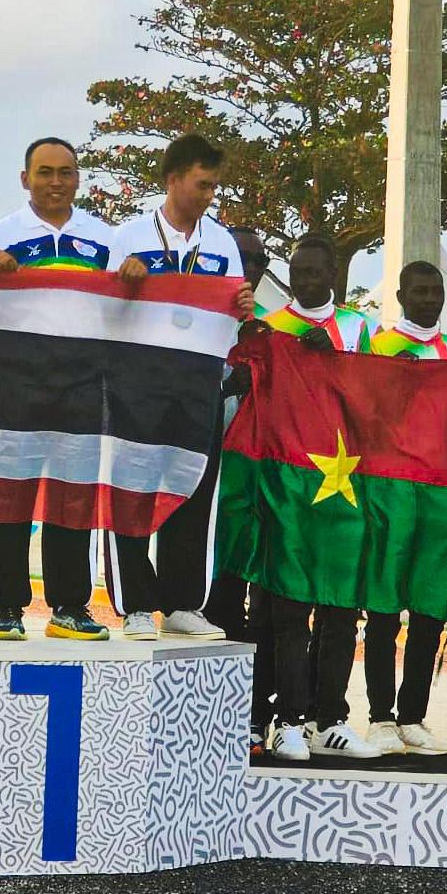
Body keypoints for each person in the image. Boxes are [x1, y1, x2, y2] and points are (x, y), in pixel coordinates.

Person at [104, 134, 255, 641]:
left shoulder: (220, 243)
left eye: (215, 186)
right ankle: (137, 604)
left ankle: (182, 603)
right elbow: (101, 312)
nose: (211, 195)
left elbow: (232, 314)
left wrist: (243, 307)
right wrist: (121, 284)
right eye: (203, 184)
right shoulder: (127, 237)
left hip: (198, 383)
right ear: (173, 180)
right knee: (134, 489)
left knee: (192, 488)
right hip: (138, 382)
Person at [0, 137, 117, 641]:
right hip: (16, 385)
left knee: (73, 499)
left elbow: (124, 307)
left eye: (65, 172)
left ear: (78, 178)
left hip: (81, 385)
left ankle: (70, 605)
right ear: (25, 179)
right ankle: (8, 608)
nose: (55, 182)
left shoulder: (105, 240)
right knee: (10, 497)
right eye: (44, 172)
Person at [254, 234, 381, 762]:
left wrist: (338, 367)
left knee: (339, 608)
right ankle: (285, 719)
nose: (307, 281)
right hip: (287, 485)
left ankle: (330, 718)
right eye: (299, 272)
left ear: (334, 273)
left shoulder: (358, 329)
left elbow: (376, 399)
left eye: (316, 272)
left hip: (344, 484)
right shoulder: (270, 325)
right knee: (287, 606)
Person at [358, 260, 447, 757]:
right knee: (383, 610)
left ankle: (413, 717)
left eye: (436, 291)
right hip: (389, 492)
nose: (429, 299)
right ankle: (380, 717)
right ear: (400, 295)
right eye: (419, 291)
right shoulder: (376, 347)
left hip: (440, 497)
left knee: (428, 610)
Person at [200, 225, 270, 646]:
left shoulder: (275, 328)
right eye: (239, 257)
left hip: (256, 479)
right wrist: (226, 384)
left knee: (248, 591)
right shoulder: (197, 316)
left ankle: (256, 703)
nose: (249, 268)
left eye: (257, 261)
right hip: (205, 473)